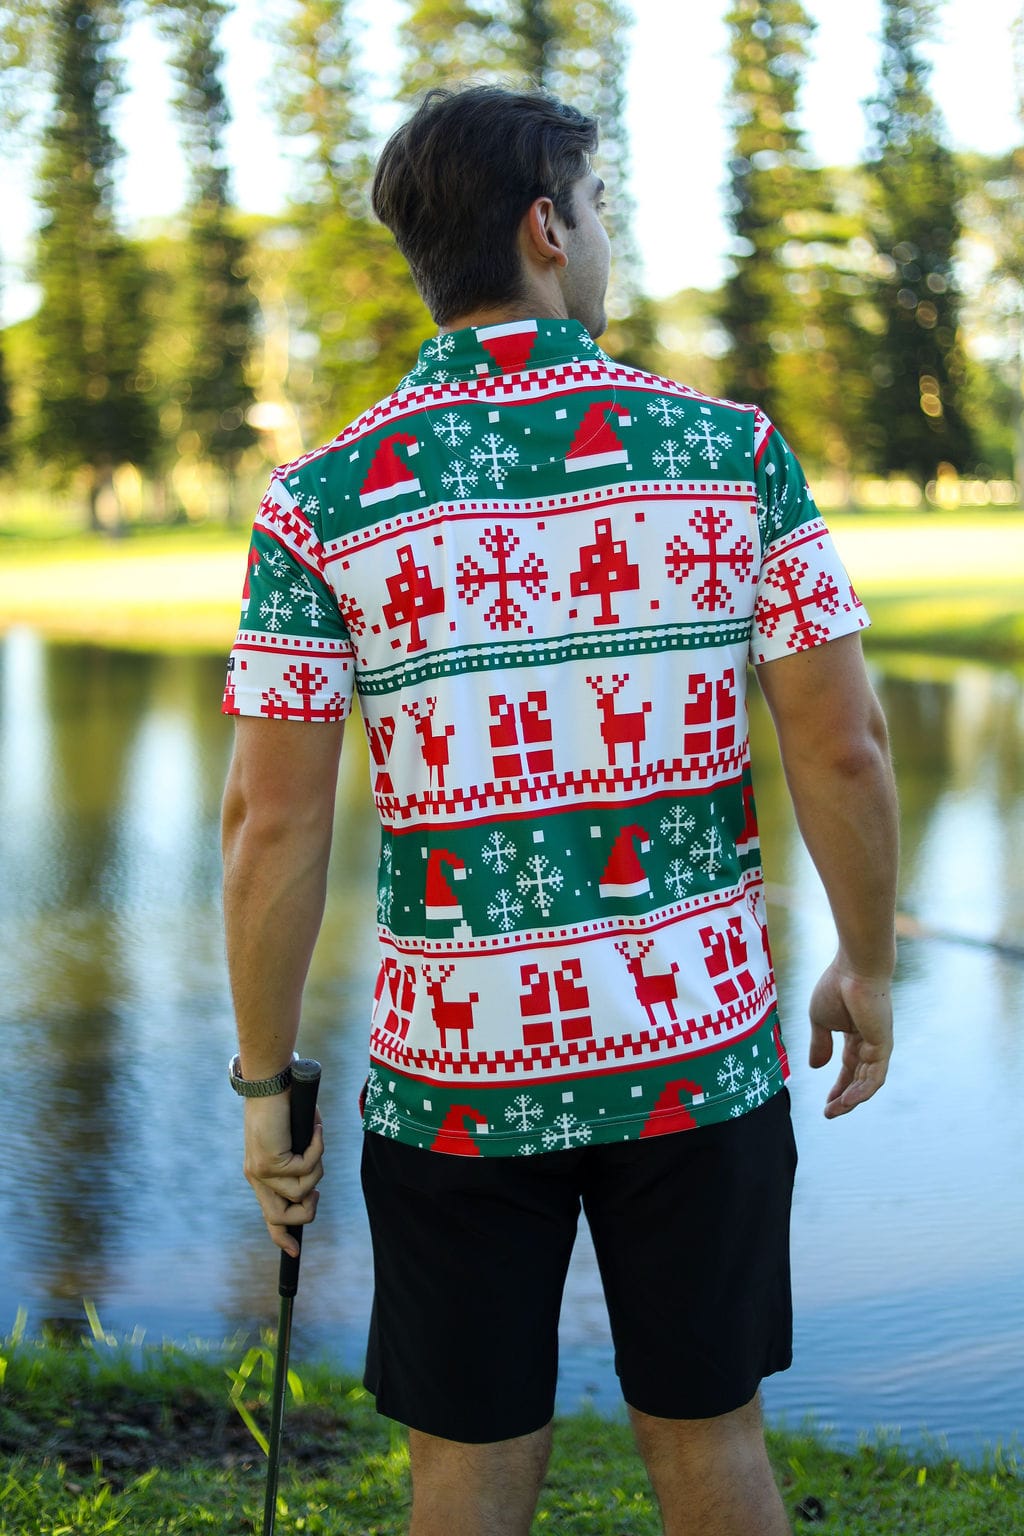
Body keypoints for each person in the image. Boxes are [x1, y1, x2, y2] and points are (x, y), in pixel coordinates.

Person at [221, 84, 898, 1536]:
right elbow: (844, 748)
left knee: (463, 1466)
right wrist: (869, 959)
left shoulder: (320, 500)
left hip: (455, 1076)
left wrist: (267, 1082)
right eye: (597, 211)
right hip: (695, 1052)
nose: (602, 241)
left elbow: (268, 826)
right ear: (546, 226)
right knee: (712, 1439)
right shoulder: (729, 452)